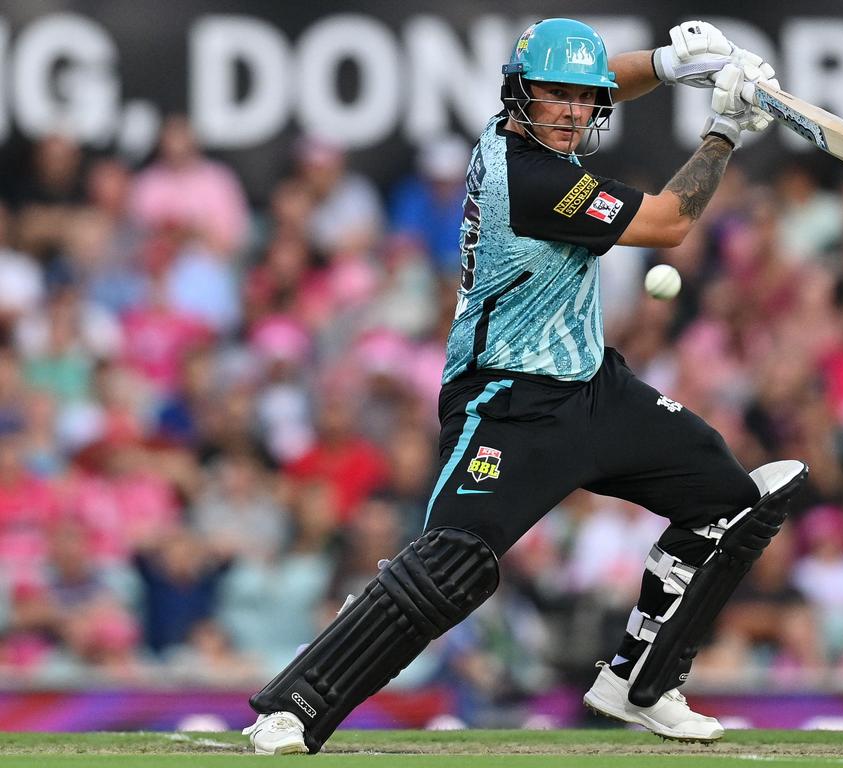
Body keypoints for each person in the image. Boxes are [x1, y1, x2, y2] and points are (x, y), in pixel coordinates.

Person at [243, 18, 808, 755]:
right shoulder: (534, 180)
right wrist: (725, 131)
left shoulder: (520, 131)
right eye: (557, 96)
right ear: (521, 95)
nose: (574, 113)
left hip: (592, 388)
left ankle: (642, 682)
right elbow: (669, 223)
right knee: (455, 564)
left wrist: (672, 65)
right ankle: (293, 708)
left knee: (729, 504)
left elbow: (598, 84)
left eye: (586, 99)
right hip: (507, 402)